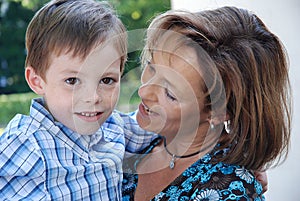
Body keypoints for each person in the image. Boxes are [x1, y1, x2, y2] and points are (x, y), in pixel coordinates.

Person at [122, 6, 291, 200]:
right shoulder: (133, 135)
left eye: (169, 93)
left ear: (218, 112)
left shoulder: (230, 190)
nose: (143, 91)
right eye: (151, 68)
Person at [0, 0, 155, 200]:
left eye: (107, 80)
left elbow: (157, 127)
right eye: (72, 81)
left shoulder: (114, 127)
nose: (93, 97)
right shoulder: (27, 145)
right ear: (37, 81)